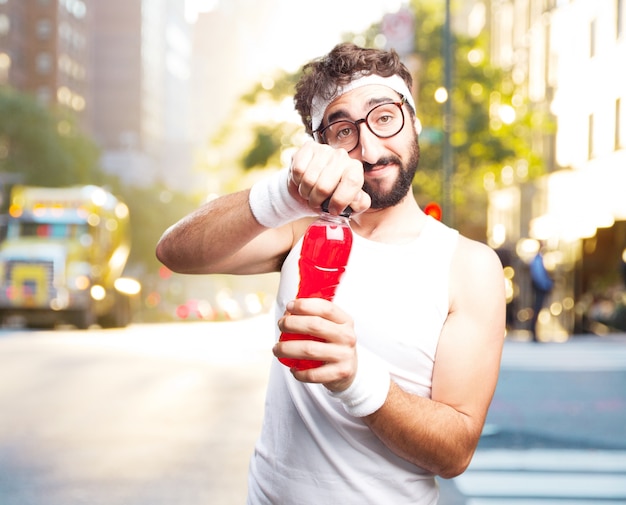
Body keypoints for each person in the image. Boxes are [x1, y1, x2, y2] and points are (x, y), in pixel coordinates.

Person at [156, 43, 505, 505]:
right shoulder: (300, 227)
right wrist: (286, 192)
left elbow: (454, 451)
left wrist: (356, 378)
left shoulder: (468, 266)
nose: (370, 148)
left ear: (413, 121)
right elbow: (175, 252)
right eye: (343, 131)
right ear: (322, 148)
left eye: (384, 117)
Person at [529, 246, 553, 342]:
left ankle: (534, 332)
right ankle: (533, 332)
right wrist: (547, 285)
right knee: (536, 310)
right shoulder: (538, 260)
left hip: (540, 287)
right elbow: (539, 276)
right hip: (540, 288)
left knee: (537, 310)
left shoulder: (538, 260)